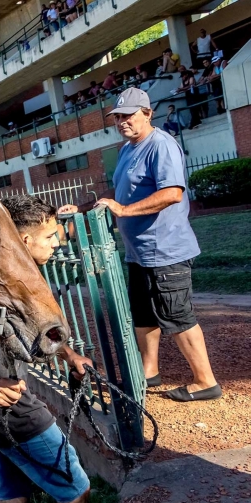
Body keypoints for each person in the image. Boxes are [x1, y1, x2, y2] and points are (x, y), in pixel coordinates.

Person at [73, 87, 221, 402]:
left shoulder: (161, 146)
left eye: (128, 115)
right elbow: (120, 195)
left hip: (165, 251)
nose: (122, 121)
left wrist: (125, 211)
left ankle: (205, 381)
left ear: (147, 113)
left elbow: (172, 193)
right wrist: (85, 208)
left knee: (177, 314)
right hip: (138, 252)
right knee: (143, 315)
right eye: (118, 117)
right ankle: (149, 371)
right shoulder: (127, 149)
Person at [0, 195, 92, 503]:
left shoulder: (23, 287)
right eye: (50, 237)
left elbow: (36, 334)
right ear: (25, 241)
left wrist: (69, 354)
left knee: (11, 502)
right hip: (10, 412)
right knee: (75, 491)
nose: (57, 243)